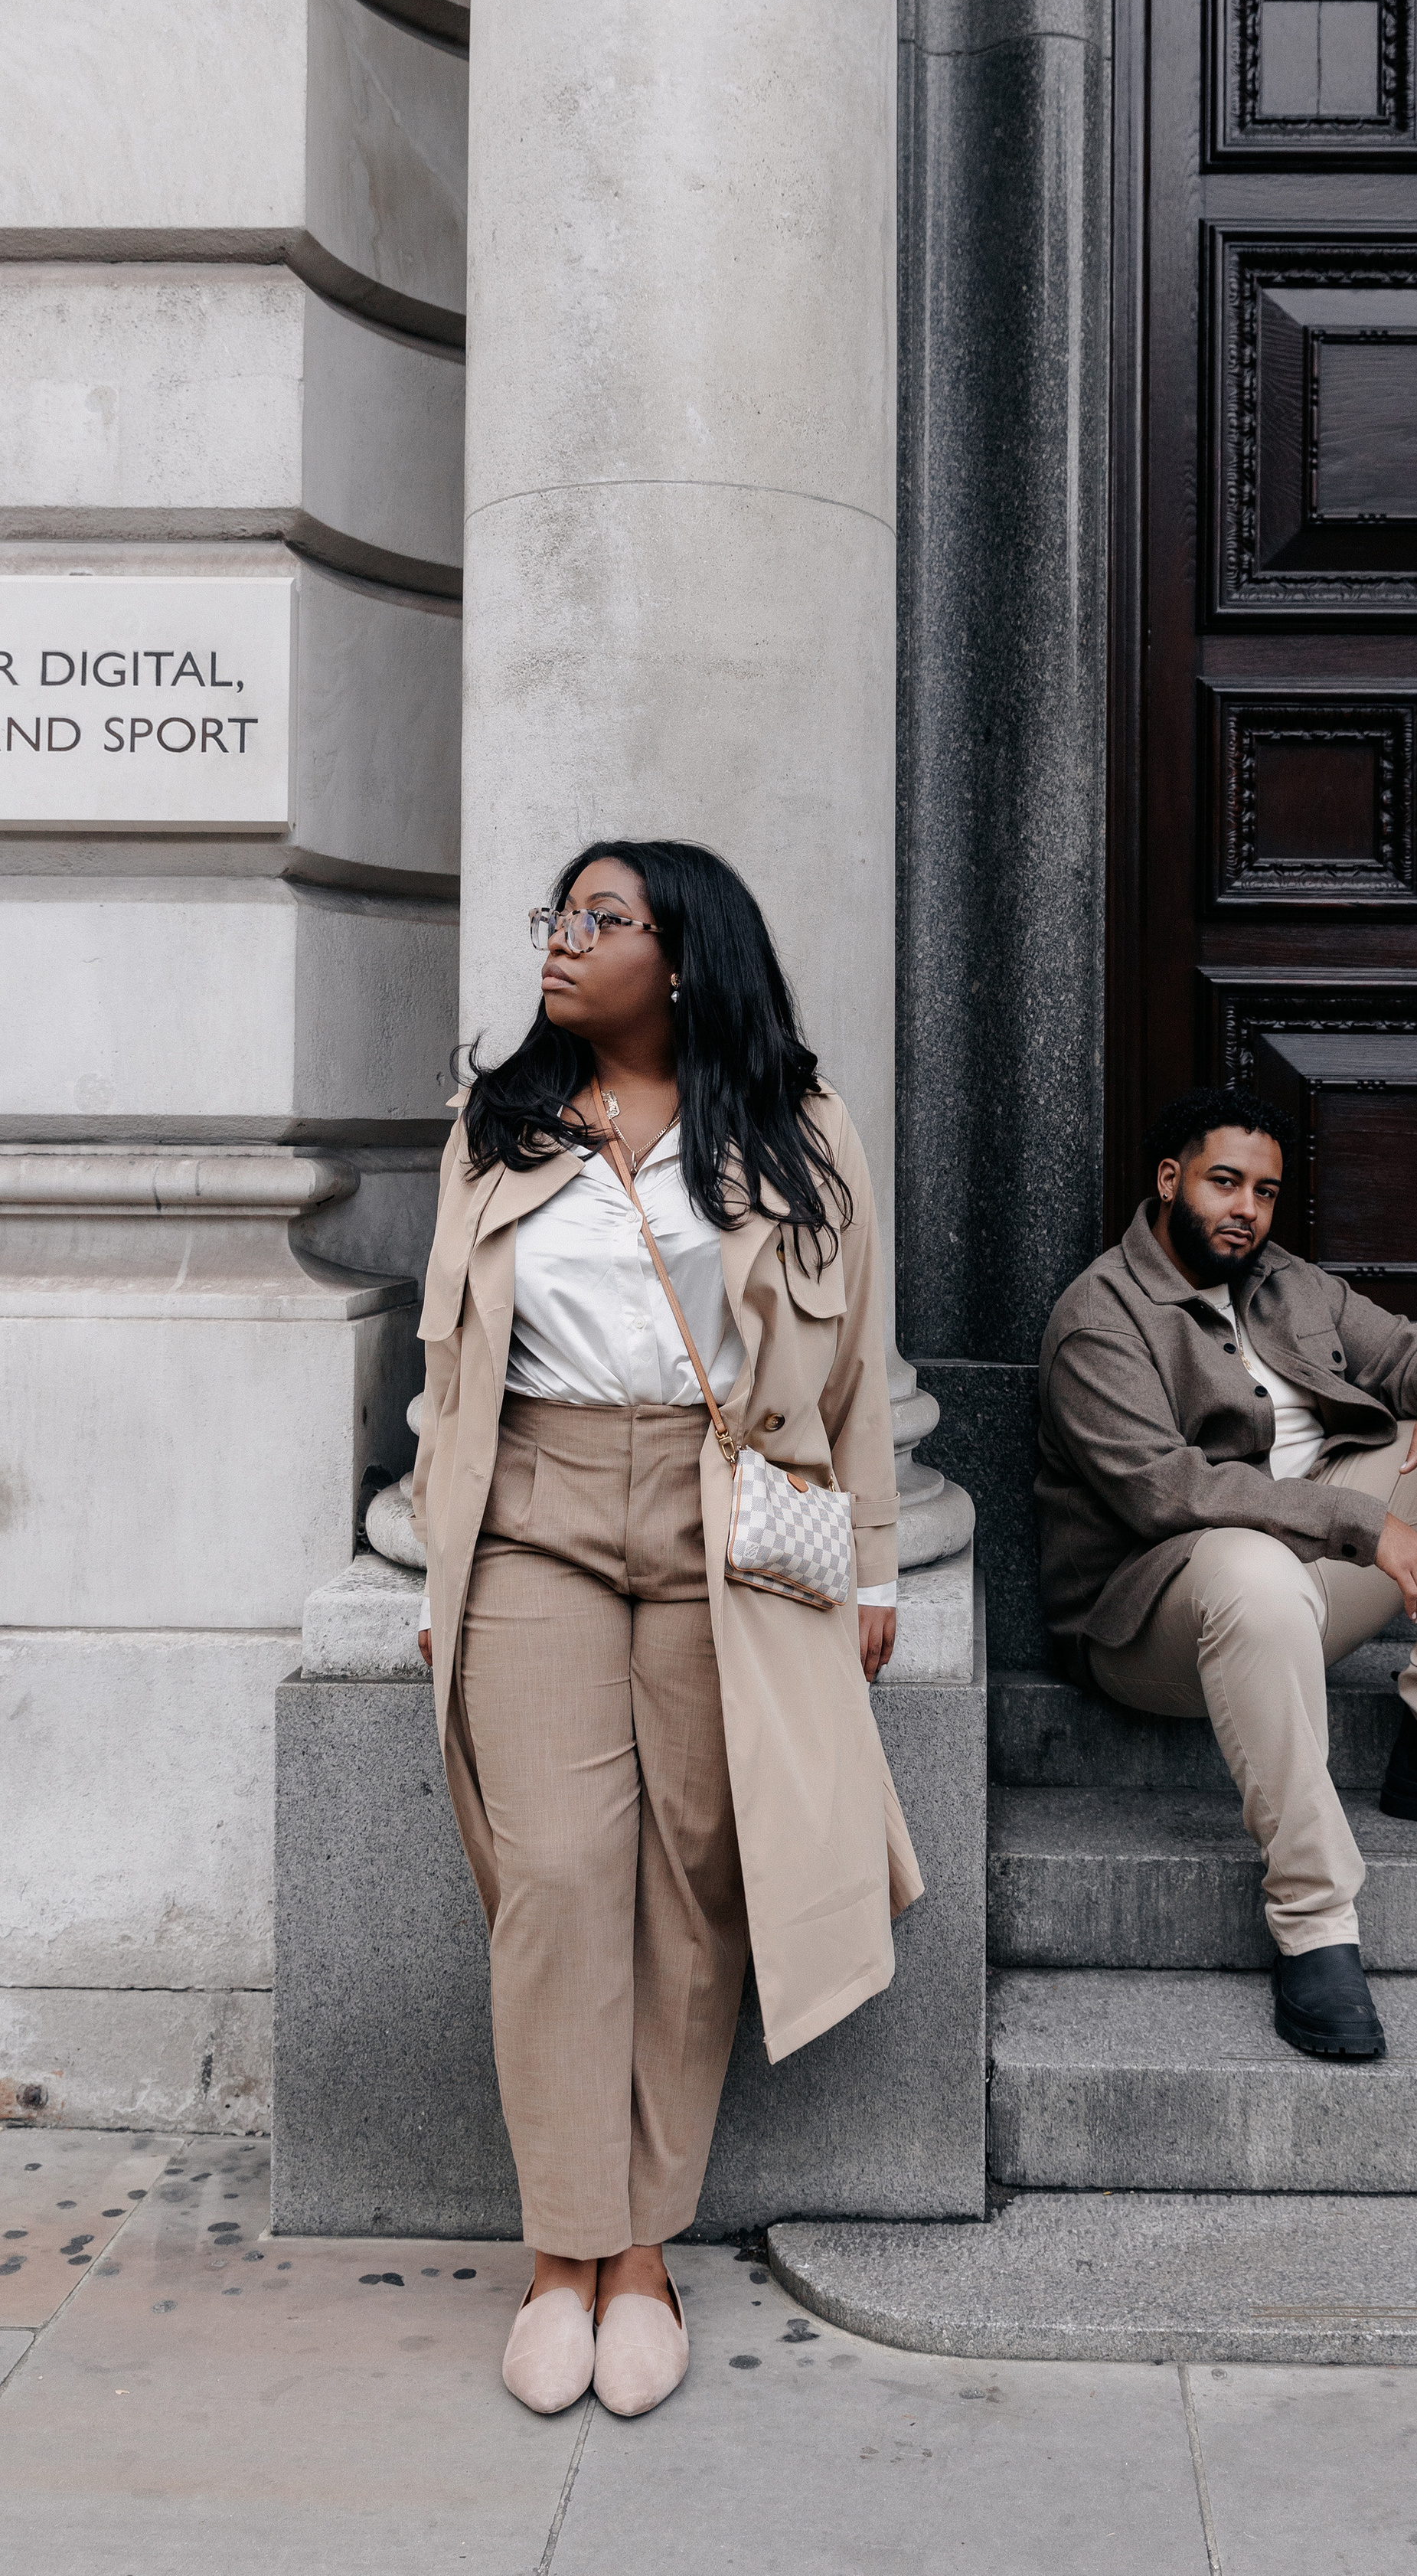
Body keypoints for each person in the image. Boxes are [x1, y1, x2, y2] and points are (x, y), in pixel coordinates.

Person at [409, 839, 919, 2418]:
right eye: (558, 917)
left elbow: (848, 1381)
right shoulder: (496, 1123)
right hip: (535, 1511)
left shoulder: (795, 1129)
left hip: (728, 1520)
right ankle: (560, 2256)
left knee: (697, 1877)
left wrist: (879, 1575)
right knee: (557, 1875)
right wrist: (439, 1558)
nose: (563, 942)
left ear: (684, 956)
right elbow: (446, 1367)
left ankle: (642, 2255)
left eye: (603, 919)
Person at [1034, 1086, 1417, 2064]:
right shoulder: (1100, 1317)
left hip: (1307, 1581)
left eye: (1263, 1191)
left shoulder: (1290, 1284)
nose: (1244, 1209)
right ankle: (1314, 1921)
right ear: (1169, 1181)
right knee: (1252, 1571)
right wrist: (1360, 1521)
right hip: (1160, 1621)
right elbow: (1163, 1493)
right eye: (1223, 1183)